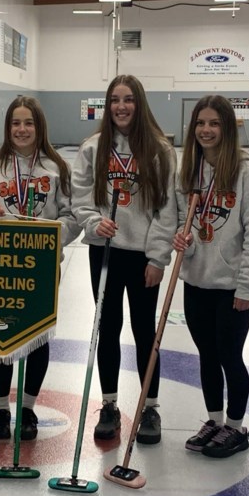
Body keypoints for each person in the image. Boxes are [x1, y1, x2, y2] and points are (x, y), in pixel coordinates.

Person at [72, 74, 177, 444]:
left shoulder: (160, 150)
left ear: (140, 103)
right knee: (108, 328)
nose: (121, 106)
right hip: (104, 252)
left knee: (145, 332)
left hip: (142, 256)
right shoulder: (93, 148)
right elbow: (80, 196)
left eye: (129, 99)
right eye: (115, 99)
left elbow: (167, 209)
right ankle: (110, 404)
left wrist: (158, 257)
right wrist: (92, 220)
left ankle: (150, 408)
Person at [172, 95, 249, 459]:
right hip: (197, 281)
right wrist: (183, 239)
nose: (206, 130)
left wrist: (248, 284)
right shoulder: (189, 171)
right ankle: (214, 420)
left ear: (227, 128)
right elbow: (185, 223)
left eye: (214, 123)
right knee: (206, 354)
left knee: (230, 354)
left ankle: (235, 427)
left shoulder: (246, 174)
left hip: (232, 286)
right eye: (200, 123)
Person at [0, 96, 80, 440]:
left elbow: (71, 216)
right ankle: (2, 411)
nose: (22, 129)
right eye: (16, 123)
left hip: (42, 266)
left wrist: (51, 238)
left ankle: (28, 409)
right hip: (2, 267)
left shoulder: (56, 168)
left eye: (29, 123)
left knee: (37, 336)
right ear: (8, 128)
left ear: (40, 127)